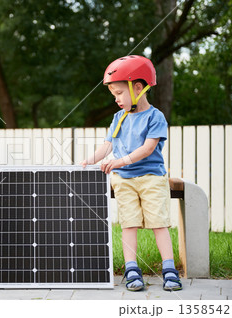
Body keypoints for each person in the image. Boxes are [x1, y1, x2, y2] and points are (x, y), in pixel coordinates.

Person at [80, 55, 182, 291]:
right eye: (113, 94)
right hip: (124, 180)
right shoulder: (118, 118)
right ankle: (132, 269)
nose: (116, 99)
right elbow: (108, 146)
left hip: (151, 178)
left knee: (159, 223)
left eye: (118, 93)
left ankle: (169, 269)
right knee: (129, 224)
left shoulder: (155, 117)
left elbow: (147, 149)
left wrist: (120, 161)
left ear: (138, 87)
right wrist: (89, 160)